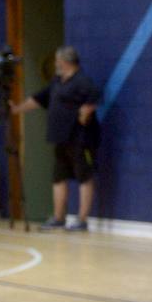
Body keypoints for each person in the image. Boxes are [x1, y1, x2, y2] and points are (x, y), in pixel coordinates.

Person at [8, 45, 101, 231]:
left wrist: (87, 110)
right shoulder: (57, 82)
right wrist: (18, 109)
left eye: (58, 61)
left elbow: (96, 97)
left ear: (65, 62)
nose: (56, 64)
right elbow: (38, 99)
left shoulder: (82, 81)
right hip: (60, 138)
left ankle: (82, 220)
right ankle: (59, 218)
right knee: (59, 177)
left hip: (81, 138)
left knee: (84, 176)